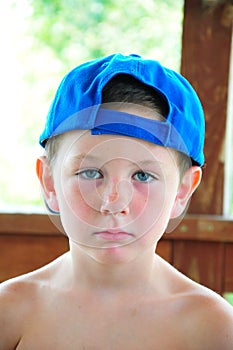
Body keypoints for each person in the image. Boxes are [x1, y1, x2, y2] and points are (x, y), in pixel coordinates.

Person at [0, 53, 233, 350]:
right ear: (49, 181)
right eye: (91, 172)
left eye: (143, 176)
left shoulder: (214, 330)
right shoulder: (10, 314)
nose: (113, 203)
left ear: (182, 190)